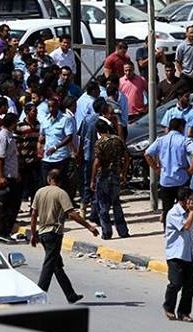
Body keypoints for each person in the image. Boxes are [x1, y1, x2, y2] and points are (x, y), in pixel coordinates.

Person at [30, 169, 99, 303]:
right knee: (49, 265)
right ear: (60, 181)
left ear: (49, 179)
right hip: (54, 233)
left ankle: (70, 295)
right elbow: (72, 214)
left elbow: (33, 214)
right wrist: (89, 226)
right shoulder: (61, 193)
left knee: (56, 265)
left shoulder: (40, 192)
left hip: (43, 233)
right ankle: (39, 294)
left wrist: (34, 234)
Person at [144, 118, 193, 228]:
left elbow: (147, 154)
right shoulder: (184, 140)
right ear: (180, 127)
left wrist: (155, 168)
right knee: (184, 207)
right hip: (181, 179)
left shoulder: (161, 140)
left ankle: (168, 229)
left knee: (167, 208)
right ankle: (186, 229)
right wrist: (191, 169)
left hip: (166, 180)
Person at [90, 120, 131, 240]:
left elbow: (97, 163)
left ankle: (107, 232)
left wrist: (92, 180)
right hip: (115, 175)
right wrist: (123, 173)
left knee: (103, 206)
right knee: (116, 203)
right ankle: (123, 231)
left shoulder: (100, 143)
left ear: (98, 131)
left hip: (103, 175)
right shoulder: (118, 140)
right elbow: (127, 157)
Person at [163, 188, 193, 322]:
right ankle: (168, 307)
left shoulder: (188, 213)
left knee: (189, 287)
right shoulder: (173, 213)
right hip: (176, 254)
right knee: (176, 283)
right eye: (191, 199)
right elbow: (186, 227)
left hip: (188, 254)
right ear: (185, 200)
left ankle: (184, 312)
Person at [37, 98, 75, 190]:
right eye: (49, 107)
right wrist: (39, 148)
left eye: (53, 106)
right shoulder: (45, 120)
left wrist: (56, 147)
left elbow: (69, 137)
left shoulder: (65, 119)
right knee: (45, 183)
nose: (51, 109)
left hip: (61, 157)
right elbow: (41, 136)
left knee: (62, 184)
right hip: (47, 158)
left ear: (57, 106)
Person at [0, 113, 20, 241]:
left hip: (12, 175)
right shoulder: (3, 137)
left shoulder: (10, 135)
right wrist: (1, 176)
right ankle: (3, 232)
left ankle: (6, 231)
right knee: (7, 206)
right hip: (6, 176)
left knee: (13, 205)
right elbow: (1, 158)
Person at [175, 25, 193, 92]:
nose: (192, 35)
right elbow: (177, 62)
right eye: (191, 33)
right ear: (186, 33)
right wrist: (181, 72)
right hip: (185, 76)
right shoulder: (181, 46)